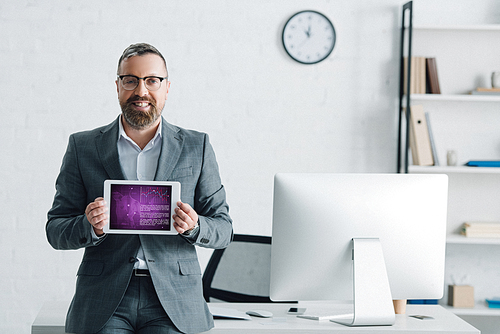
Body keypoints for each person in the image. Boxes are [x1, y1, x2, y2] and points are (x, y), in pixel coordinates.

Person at [46, 43, 233, 334]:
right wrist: (90, 226)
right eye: (130, 80)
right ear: (118, 86)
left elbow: (223, 229)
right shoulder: (83, 147)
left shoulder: (198, 146)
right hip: (104, 297)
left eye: (152, 80)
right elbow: (55, 230)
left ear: (167, 87)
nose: (141, 91)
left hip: (173, 298)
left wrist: (196, 226)